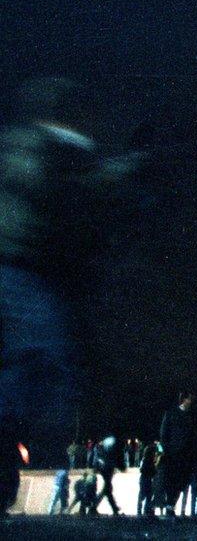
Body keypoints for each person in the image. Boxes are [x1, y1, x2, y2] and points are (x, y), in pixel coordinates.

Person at [0, 78, 143, 508]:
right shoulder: (38, 149)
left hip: (28, 270)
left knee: (37, 367)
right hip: (27, 270)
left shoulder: (25, 146)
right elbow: (64, 195)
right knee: (43, 365)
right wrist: (113, 170)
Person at [159, 391, 197, 517]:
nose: (191, 402)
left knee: (180, 481)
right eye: (189, 399)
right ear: (184, 400)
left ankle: (170, 505)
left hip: (184, 455)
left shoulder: (188, 416)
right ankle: (170, 506)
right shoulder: (172, 414)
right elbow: (164, 433)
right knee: (173, 480)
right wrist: (167, 449)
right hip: (174, 454)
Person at [93, 435, 126, 516]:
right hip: (107, 466)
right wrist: (121, 466)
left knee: (107, 488)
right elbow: (116, 455)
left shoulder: (109, 440)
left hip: (105, 466)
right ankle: (94, 507)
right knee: (107, 488)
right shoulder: (115, 441)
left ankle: (95, 507)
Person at [137, 443, 157, 516]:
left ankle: (141, 510)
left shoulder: (145, 459)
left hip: (144, 479)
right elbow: (151, 471)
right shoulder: (149, 461)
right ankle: (146, 510)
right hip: (147, 480)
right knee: (147, 495)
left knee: (144, 495)